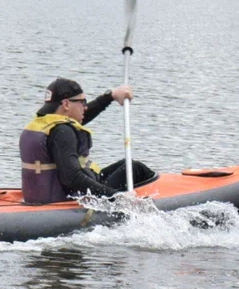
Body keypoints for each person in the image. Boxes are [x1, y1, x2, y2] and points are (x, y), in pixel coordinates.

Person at [20, 77, 153, 204]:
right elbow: (72, 177)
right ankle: (157, 197)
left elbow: (79, 117)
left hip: (42, 196)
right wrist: (116, 198)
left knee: (128, 165)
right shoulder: (62, 132)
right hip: (69, 198)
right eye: (82, 102)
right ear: (66, 104)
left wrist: (110, 96)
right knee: (136, 169)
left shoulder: (43, 124)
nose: (85, 107)